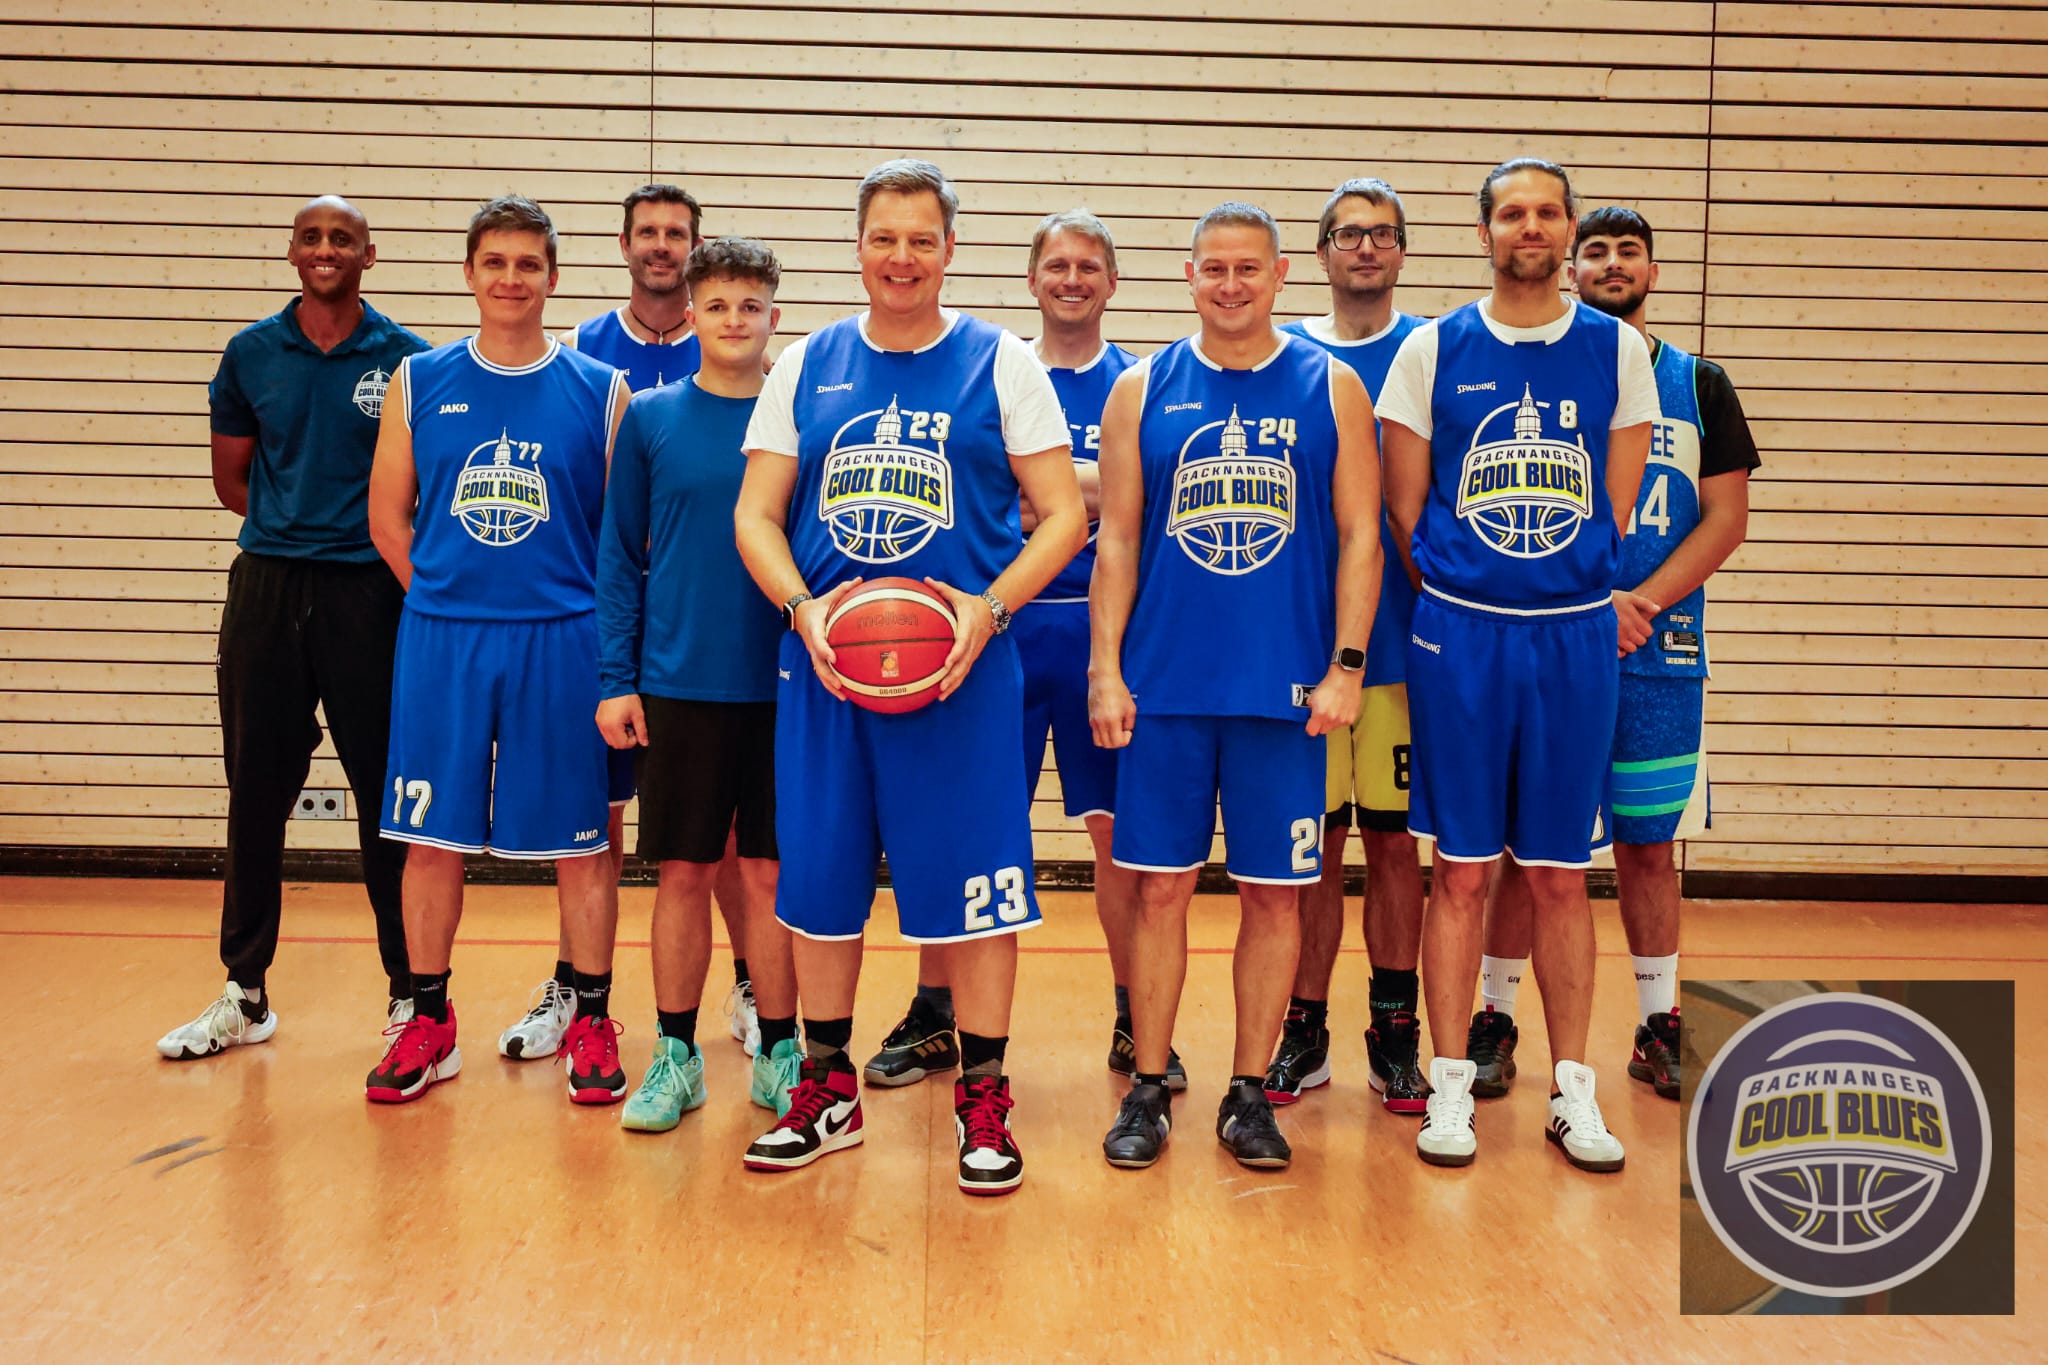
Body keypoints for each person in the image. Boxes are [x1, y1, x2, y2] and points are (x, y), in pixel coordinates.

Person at [733, 159, 1085, 1195]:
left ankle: (984, 1096)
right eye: (884, 238)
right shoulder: (807, 364)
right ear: (858, 247)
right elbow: (755, 514)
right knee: (820, 889)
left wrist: (991, 606)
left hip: (961, 675)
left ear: (948, 250)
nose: (901, 257)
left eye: (921, 240)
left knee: (980, 895)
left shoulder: (1000, 363)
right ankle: (826, 1087)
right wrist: (803, 610)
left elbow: (1064, 515)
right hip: (829, 674)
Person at [861, 210, 1185, 1091]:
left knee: (1117, 838)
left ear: (1112, 281)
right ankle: (935, 1011)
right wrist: (1086, 491)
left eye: (1089, 265)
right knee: (956, 824)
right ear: (1032, 278)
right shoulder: (998, 370)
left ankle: (1135, 1015)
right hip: (990, 628)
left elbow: (1146, 501)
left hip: (1102, 633)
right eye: (1057, 264)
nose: (1072, 278)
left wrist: (1052, 490)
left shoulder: (1140, 383)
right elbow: (1020, 495)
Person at [1374, 158, 1655, 1172]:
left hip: (1572, 634)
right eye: (1509, 213)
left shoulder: (1616, 349)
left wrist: (1551, 579)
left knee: (1557, 874)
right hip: (1461, 632)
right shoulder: (1430, 348)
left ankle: (1571, 1088)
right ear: (1484, 232)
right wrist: (1475, 583)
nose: (1527, 227)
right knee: (1457, 868)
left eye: (1544, 213)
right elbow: (1406, 509)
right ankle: (1449, 1081)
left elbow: (1613, 506)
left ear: (1567, 230)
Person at [1091, 202, 1382, 1171]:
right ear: (1188, 276)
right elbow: (1117, 538)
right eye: (1212, 267)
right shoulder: (1141, 388)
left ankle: (1248, 1092)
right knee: (1159, 892)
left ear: (1279, 274)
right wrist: (1104, 668)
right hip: (1165, 689)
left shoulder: (1331, 385)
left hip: (1284, 696)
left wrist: (1346, 665)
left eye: (1246, 268)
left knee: (1275, 899)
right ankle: (1147, 1083)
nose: (1229, 283)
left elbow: (1360, 536)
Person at [1475, 206, 1758, 1102]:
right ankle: (1494, 1017)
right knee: (1525, 848)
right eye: (1594, 250)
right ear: (1570, 265)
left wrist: (1642, 602)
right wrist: (1592, 605)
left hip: (1656, 651)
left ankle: (1658, 1023)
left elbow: (1726, 519)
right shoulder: (1550, 370)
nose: (1610, 263)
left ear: (1653, 271)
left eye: (1628, 251)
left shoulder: (1699, 383)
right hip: (1553, 639)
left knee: (1646, 847)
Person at [362, 195, 631, 1105]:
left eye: (528, 263)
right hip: (445, 637)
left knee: (583, 844)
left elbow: (622, 538)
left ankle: (591, 1016)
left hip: (563, 640)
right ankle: (428, 1020)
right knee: (428, 838)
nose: (511, 278)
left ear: (553, 277)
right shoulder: (418, 379)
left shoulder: (603, 389)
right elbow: (388, 517)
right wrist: (447, 598)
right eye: (495, 262)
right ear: (469, 273)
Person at [158, 196, 427, 1063]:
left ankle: (411, 994)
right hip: (268, 590)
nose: (325, 249)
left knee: (386, 798)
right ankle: (245, 992)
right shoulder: (251, 353)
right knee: (255, 795)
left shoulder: (406, 359)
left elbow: (416, 490)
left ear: (369, 255)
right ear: (291, 252)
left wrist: (350, 540)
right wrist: (295, 528)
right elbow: (231, 480)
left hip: (369, 596)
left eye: (341, 238)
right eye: (311, 237)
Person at [500, 183, 759, 1064]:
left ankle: (752, 985)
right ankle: (579, 987)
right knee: (597, 822)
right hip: (611, 626)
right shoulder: (582, 356)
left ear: (696, 249)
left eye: (676, 233)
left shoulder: (749, 360)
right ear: (623, 245)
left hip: (711, 628)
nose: (661, 245)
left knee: (729, 839)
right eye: (647, 232)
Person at [597, 237, 802, 1131]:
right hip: (678, 682)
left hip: (786, 685)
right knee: (682, 870)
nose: (733, 320)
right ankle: (675, 1055)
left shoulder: (802, 418)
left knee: (767, 874)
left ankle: (783, 1049)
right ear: (691, 315)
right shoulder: (650, 418)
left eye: (750, 306)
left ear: (773, 317)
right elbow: (618, 557)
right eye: (717, 305)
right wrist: (617, 678)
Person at [1266, 178, 1430, 1114]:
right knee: (1315, 846)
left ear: (1403, 250)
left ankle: (1395, 1029)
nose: (1366, 246)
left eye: (1382, 233)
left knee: (1396, 842)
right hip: (1308, 650)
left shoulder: (1434, 349)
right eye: (1348, 233)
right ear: (1321, 253)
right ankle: (1305, 1026)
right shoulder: (1287, 358)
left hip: (1406, 644)